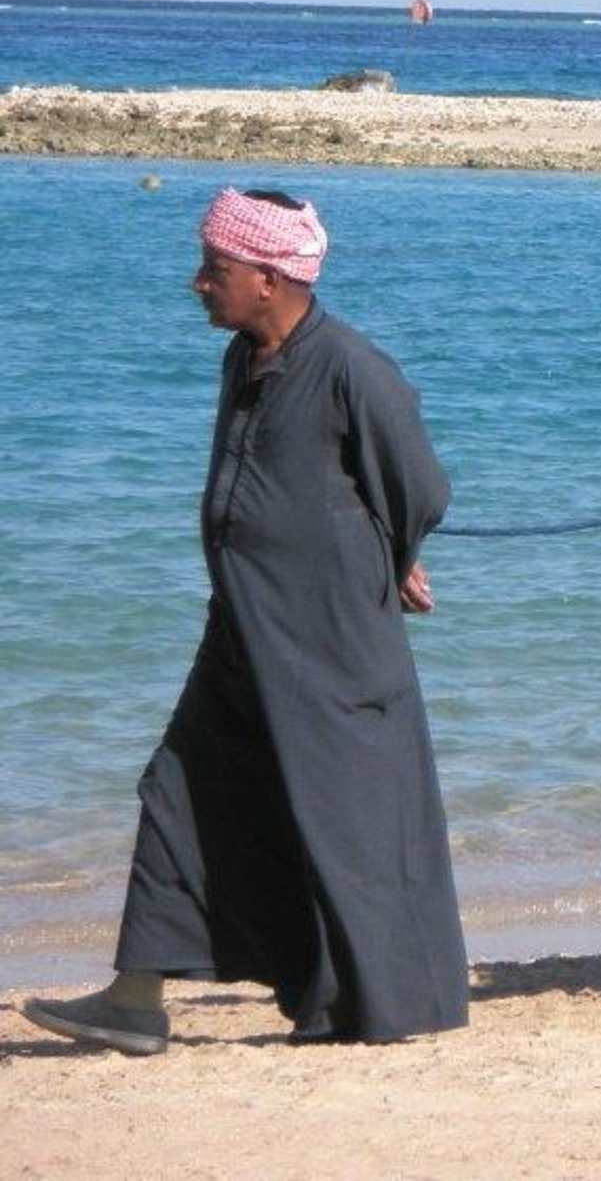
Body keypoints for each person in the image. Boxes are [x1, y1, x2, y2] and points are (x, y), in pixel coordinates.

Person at [21, 187, 466, 1054]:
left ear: (268, 277)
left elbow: (420, 490)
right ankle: (136, 1000)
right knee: (178, 787)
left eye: (214, 268)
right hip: (239, 633)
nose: (198, 282)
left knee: (344, 819)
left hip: (330, 643)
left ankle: (370, 1004)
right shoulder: (244, 359)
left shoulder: (352, 368)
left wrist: (389, 557)